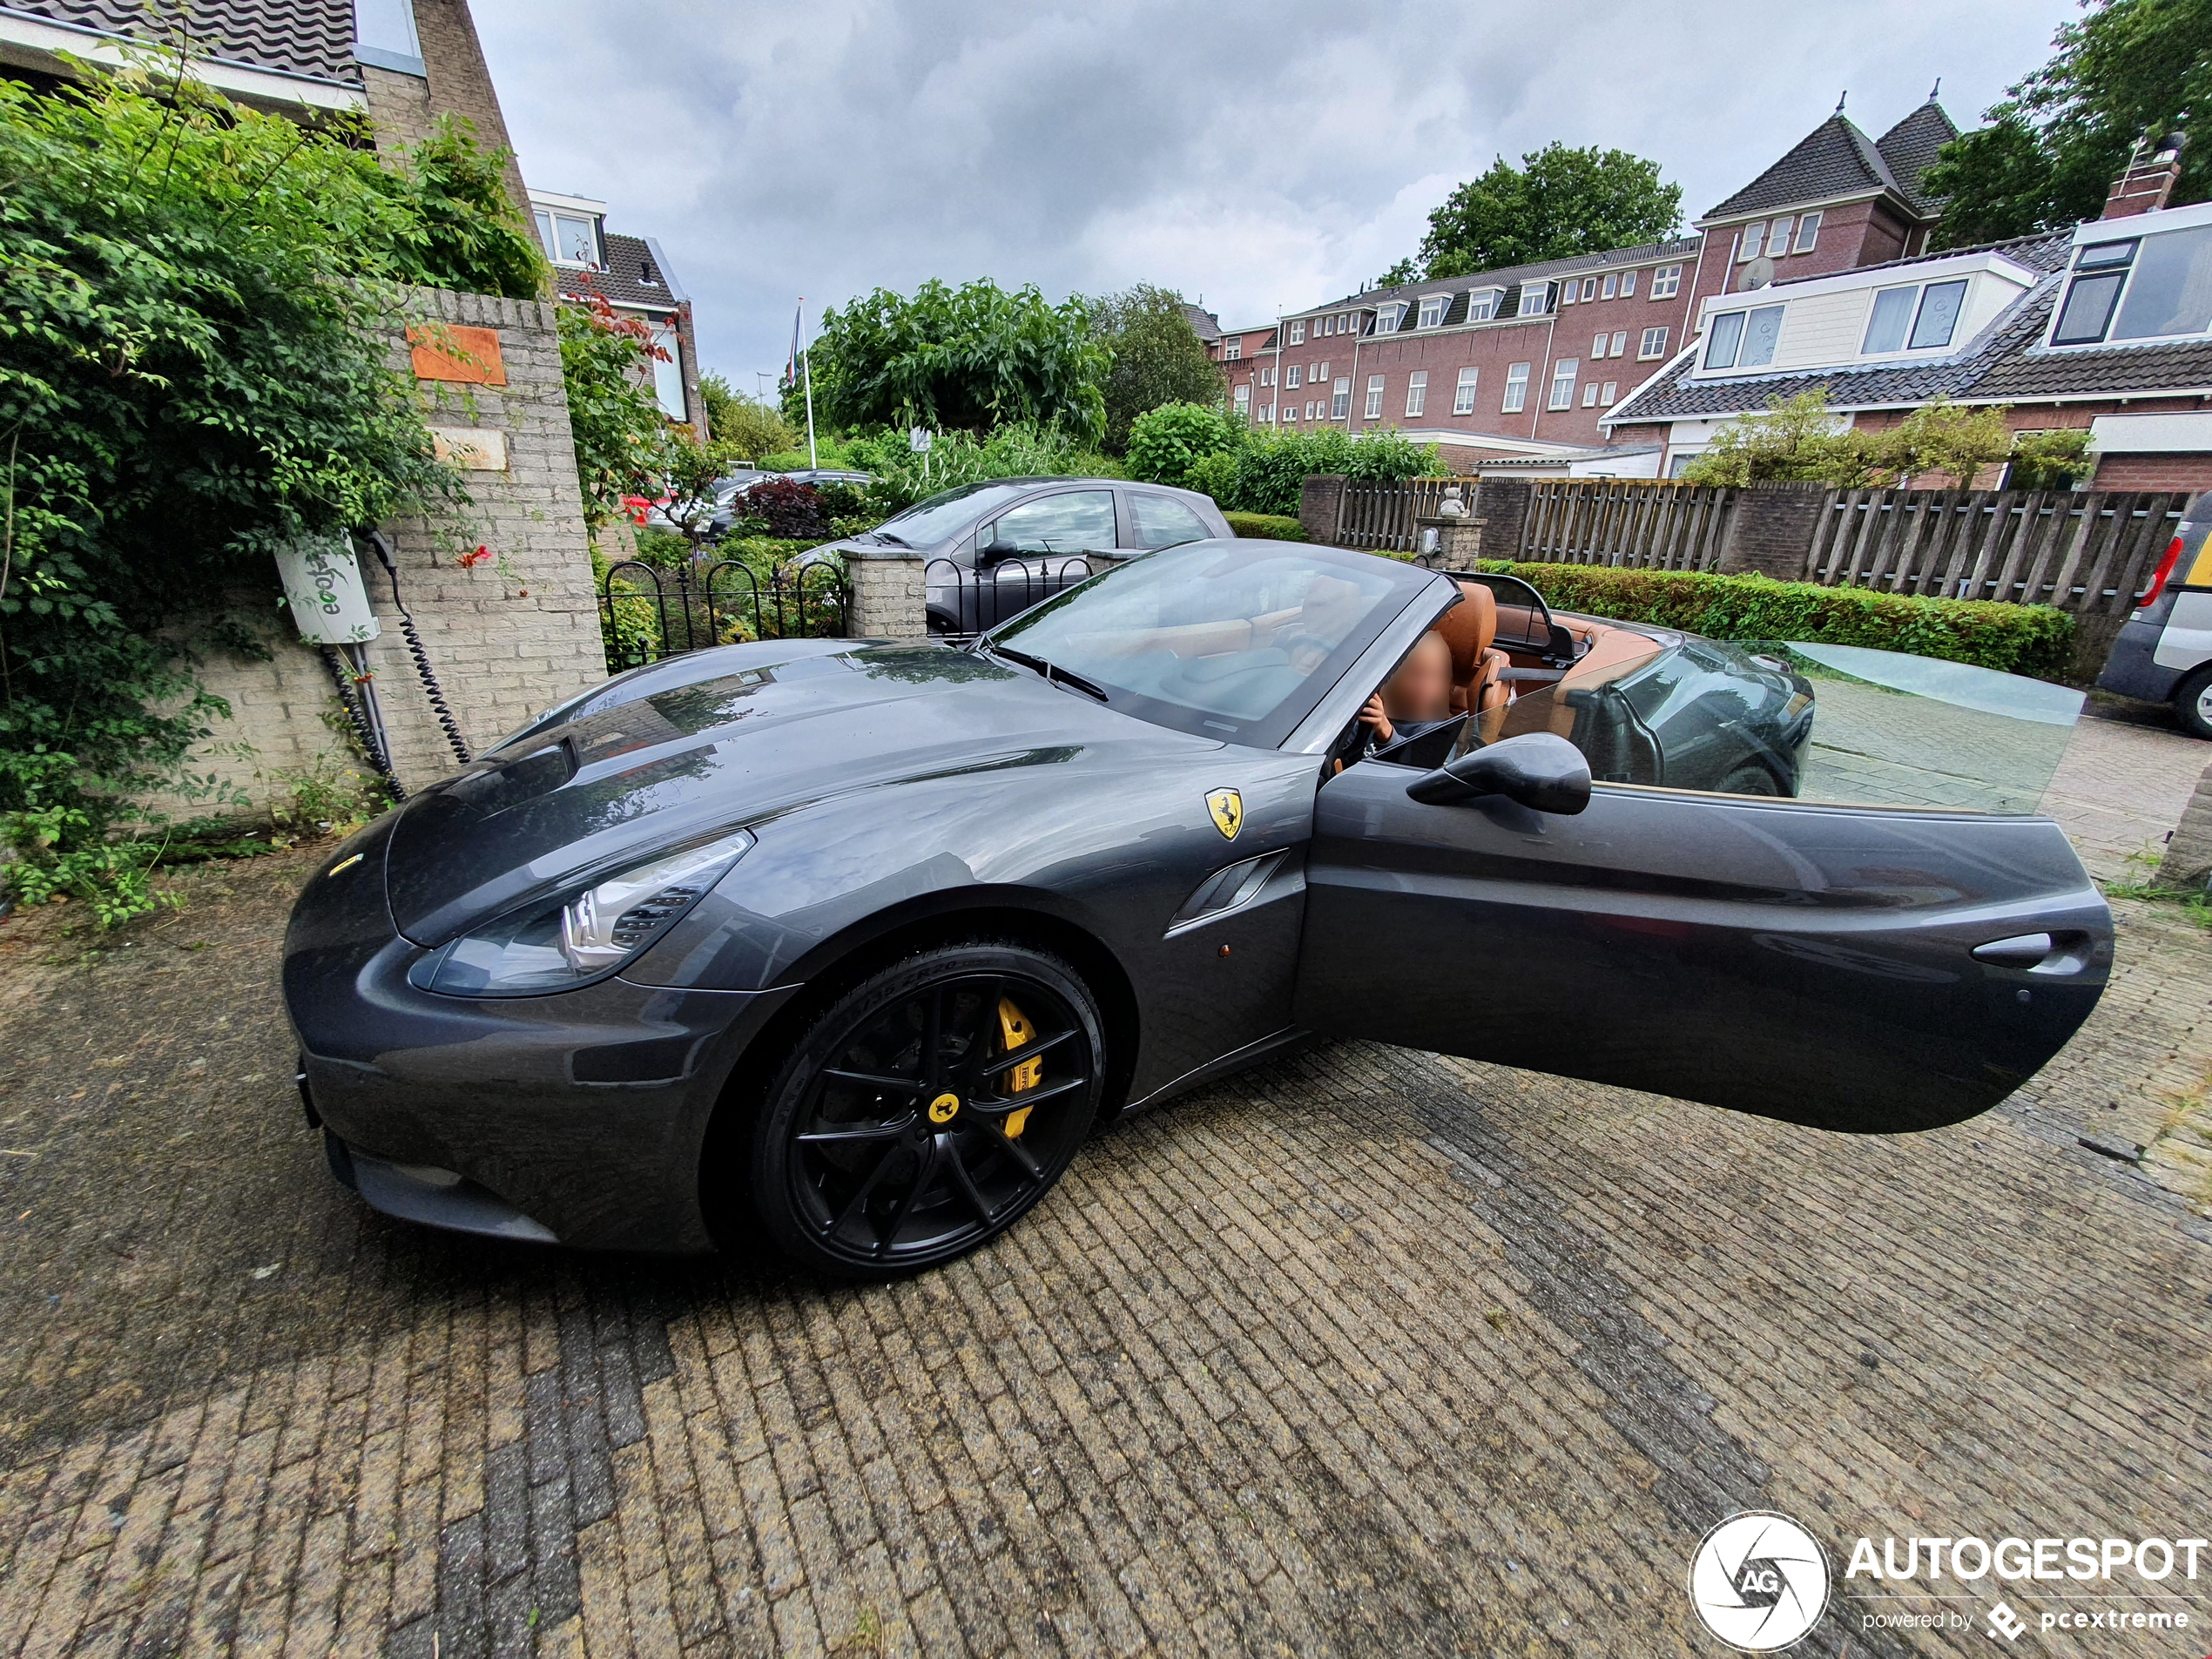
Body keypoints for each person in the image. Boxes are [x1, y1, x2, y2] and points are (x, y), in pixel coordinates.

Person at [1357, 630, 1463, 768]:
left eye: (1434, 677)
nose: (1423, 687)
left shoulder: (1440, 732)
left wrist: (1387, 733)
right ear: (1393, 678)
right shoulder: (1373, 710)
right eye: (1414, 674)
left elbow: (1420, 772)